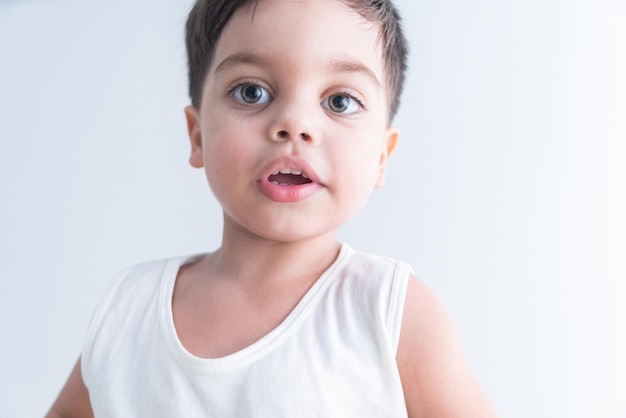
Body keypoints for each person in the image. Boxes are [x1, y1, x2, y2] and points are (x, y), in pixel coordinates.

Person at [47, 0, 498, 416]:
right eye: (251, 93)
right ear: (198, 133)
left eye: (339, 101)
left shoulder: (389, 310)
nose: (295, 125)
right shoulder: (129, 308)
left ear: (382, 155)